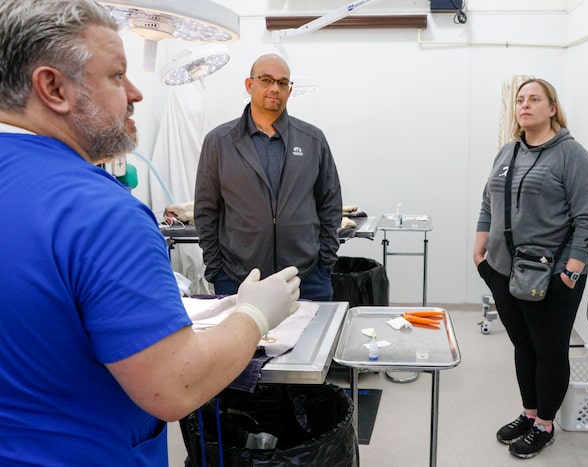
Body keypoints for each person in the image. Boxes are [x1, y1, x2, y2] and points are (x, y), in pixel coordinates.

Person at [0, 1, 301, 464]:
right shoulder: (100, 213)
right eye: (118, 76)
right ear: (53, 87)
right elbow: (175, 384)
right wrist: (254, 316)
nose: (137, 93)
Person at [474, 78, 588, 459]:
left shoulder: (571, 155)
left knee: (549, 351)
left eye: (534, 99)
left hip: (550, 277)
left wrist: (571, 272)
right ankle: (529, 413)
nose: (525, 105)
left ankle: (545, 424)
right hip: (501, 270)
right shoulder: (507, 152)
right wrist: (480, 246)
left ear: (552, 108)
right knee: (523, 347)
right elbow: (488, 201)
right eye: (520, 100)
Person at [194, 54, 342, 301]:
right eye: (266, 80)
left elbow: (330, 204)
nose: (275, 88)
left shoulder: (312, 140)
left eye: (283, 83)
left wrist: (325, 263)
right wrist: (216, 270)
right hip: (238, 279)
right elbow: (206, 210)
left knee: (312, 340)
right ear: (250, 85)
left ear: (289, 90)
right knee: (245, 341)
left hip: (306, 278)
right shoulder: (220, 142)